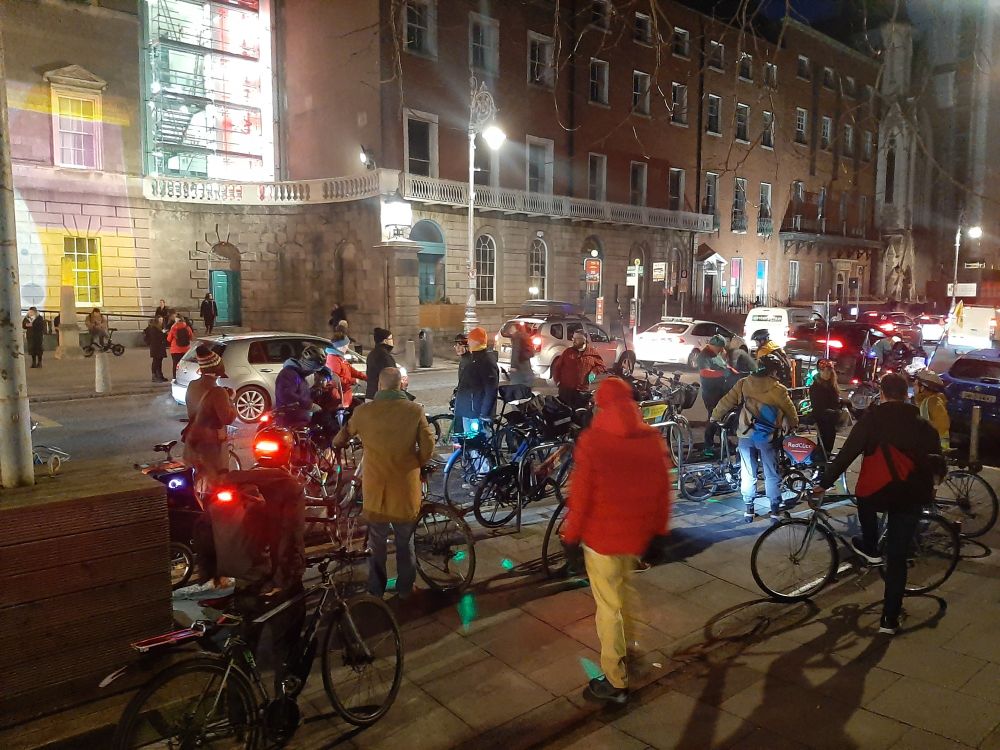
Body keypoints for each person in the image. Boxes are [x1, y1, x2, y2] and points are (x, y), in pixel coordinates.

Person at [560, 377, 672, 704]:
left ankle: (615, 679)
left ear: (600, 405)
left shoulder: (593, 441)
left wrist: (571, 539)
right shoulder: (651, 438)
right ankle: (631, 648)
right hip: (635, 537)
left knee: (607, 607)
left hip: (601, 538)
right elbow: (663, 492)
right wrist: (659, 533)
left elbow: (580, 497)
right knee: (625, 592)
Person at [814, 373, 943, 635]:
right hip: (911, 496)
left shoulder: (870, 421)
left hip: (877, 493)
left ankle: (871, 546)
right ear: (906, 393)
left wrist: (824, 483)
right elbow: (937, 464)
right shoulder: (923, 425)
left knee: (865, 500)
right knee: (896, 559)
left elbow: (846, 455)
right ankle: (889, 620)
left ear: (882, 393)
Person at [334, 367, 434, 600]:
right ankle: (405, 589)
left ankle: (376, 589)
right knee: (405, 541)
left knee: (377, 545)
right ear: (400, 385)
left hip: (376, 488)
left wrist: (336, 443)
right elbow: (428, 447)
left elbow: (342, 436)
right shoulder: (414, 410)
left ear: (379, 386)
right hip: (405, 488)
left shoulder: (363, 412)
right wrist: (415, 463)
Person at [712, 354, 799, 522]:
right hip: (767, 437)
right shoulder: (778, 389)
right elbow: (792, 413)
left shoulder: (744, 383)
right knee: (771, 473)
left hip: (745, 434)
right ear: (772, 371)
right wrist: (792, 425)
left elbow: (726, 401)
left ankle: (749, 510)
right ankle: (774, 510)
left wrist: (715, 417)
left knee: (748, 471)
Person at [182, 346, 238, 479]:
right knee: (217, 483)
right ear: (218, 369)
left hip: (193, 441)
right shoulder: (218, 392)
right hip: (212, 446)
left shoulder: (192, 385)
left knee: (198, 481)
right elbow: (227, 418)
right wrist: (230, 399)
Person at [454, 327, 499, 432]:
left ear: (476, 342)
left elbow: (491, 390)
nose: (468, 342)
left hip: (476, 413)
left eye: (470, 340)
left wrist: (484, 413)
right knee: (469, 442)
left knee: (478, 442)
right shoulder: (473, 358)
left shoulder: (486, 360)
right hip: (468, 410)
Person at [698, 335, 736, 458]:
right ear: (713, 345)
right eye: (719, 348)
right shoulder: (704, 356)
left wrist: (731, 370)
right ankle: (708, 445)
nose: (721, 350)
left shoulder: (717, 354)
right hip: (710, 392)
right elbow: (704, 372)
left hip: (720, 391)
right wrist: (722, 373)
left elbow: (723, 365)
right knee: (713, 417)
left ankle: (723, 440)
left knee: (722, 417)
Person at [274, 344, 327, 427]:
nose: (313, 373)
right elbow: (286, 395)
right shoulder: (289, 374)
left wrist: (315, 390)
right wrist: (310, 405)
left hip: (299, 419)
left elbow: (301, 394)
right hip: (290, 421)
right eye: (313, 370)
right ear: (309, 366)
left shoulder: (299, 375)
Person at [552, 329, 605, 408]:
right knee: (566, 414)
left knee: (581, 414)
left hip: (582, 391)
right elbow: (557, 367)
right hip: (566, 390)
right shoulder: (568, 352)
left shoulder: (592, 353)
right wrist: (558, 382)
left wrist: (594, 372)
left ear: (584, 340)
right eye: (573, 338)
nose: (573, 341)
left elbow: (601, 366)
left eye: (576, 339)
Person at [809, 358, 843, 457]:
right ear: (820, 371)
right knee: (824, 444)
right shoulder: (816, 387)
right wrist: (832, 412)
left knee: (830, 440)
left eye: (830, 371)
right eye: (826, 371)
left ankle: (825, 460)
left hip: (831, 419)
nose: (829, 374)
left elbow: (834, 400)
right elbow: (818, 407)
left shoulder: (832, 384)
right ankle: (822, 466)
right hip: (822, 419)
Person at [325, 335, 366, 409]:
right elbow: (335, 379)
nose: (347, 348)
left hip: (346, 394)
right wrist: (353, 380)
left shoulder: (340, 357)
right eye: (346, 345)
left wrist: (364, 377)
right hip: (341, 396)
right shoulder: (333, 359)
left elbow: (350, 369)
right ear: (341, 346)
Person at [913, 369, 950, 449]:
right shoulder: (922, 401)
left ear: (922, 388)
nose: (913, 386)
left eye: (916, 384)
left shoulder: (933, 402)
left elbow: (942, 426)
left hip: (933, 449)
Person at [365, 328, 397, 400]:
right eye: (391, 338)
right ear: (385, 341)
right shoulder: (385, 356)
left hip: (370, 394)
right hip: (381, 397)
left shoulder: (371, 354)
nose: (392, 341)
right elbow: (392, 376)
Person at [166, 313, 194, 380]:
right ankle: (185, 377)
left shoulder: (173, 328)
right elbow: (191, 337)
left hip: (175, 350)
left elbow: (168, 339)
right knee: (185, 365)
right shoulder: (187, 327)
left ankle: (175, 378)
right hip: (186, 349)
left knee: (175, 364)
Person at [143, 316, 169, 382]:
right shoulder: (153, 328)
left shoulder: (159, 327)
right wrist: (164, 333)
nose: (161, 321)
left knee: (159, 362)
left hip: (159, 347)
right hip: (156, 347)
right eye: (160, 319)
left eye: (162, 319)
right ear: (156, 320)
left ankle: (160, 375)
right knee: (156, 362)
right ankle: (154, 376)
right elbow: (156, 337)